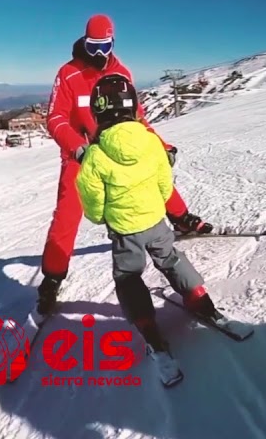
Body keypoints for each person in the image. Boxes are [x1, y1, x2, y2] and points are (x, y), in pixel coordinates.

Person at [36, 14, 212, 318]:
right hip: (83, 154)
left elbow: (138, 119)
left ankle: (180, 217)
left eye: (105, 46)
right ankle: (52, 278)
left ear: (113, 42)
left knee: (153, 173)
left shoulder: (121, 71)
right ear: (84, 42)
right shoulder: (69, 73)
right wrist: (78, 149)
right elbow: (56, 118)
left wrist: (160, 145)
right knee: (67, 215)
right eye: (93, 46)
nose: (99, 54)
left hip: (120, 144)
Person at [76, 73, 225, 382]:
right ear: (133, 107)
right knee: (171, 258)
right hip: (156, 219)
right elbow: (163, 182)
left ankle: (148, 328)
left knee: (129, 277)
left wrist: (100, 216)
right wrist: (158, 205)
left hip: (124, 229)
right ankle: (200, 299)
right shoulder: (151, 140)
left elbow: (90, 195)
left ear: (98, 111)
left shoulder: (96, 152)